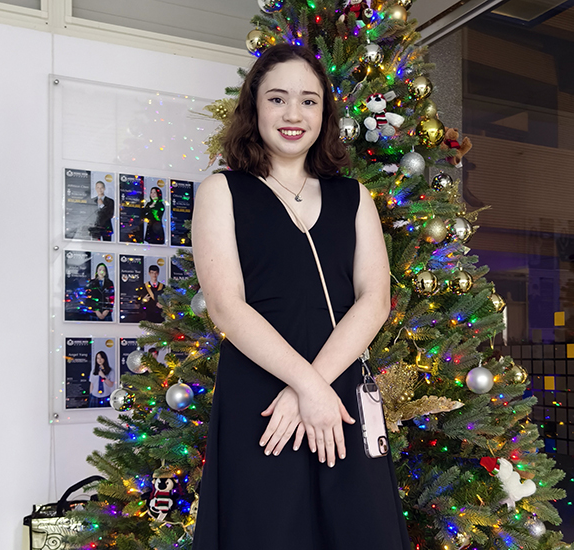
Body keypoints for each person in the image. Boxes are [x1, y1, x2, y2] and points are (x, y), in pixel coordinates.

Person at [191, 44, 410, 549]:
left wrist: (314, 388)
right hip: (261, 399)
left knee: (361, 531)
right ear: (254, 107)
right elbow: (226, 305)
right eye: (277, 98)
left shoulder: (354, 196)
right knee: (267, 531)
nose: (294, 114)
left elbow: (374, 300)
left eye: (309, 101)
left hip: (340, 392)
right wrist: (306, 388)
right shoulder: (221, 191)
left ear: (324, 113)